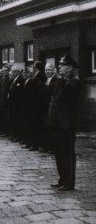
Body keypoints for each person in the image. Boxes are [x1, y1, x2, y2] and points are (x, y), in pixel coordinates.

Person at [48, 54, 80, 191]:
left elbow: (68, 94)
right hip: (58, 123)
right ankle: (62, 179)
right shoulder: (61, 81)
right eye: (59, 65)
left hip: (67, 124)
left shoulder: (74, 81)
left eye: (62, 66)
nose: (59, 68)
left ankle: (69, 182)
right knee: (59, 153)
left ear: (70, 68)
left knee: (67, 153)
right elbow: (54, 98)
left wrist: (61, 80)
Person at [7, 65, 25, 141]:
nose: (13, 73)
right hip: (12, 104)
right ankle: (13, 134)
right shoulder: (13, 80)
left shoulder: (20, 80)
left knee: (17, 120)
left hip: (17, 104)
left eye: (14, 72)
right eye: (12, 72)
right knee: (13, 119)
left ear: (18, 72)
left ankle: (17, 136)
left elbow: (20, 93)